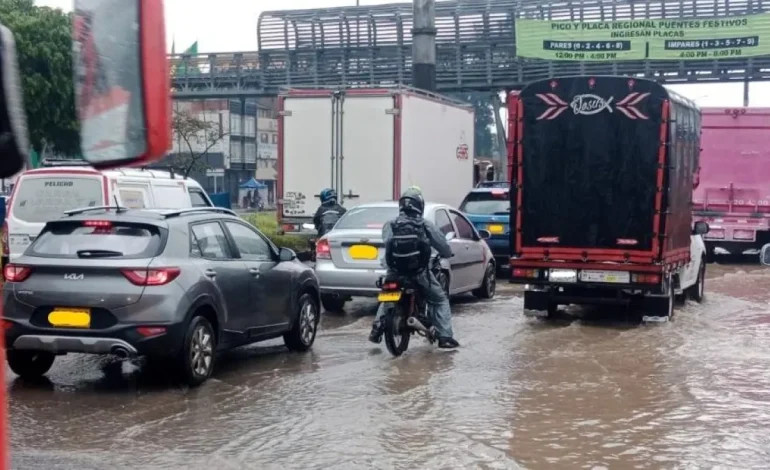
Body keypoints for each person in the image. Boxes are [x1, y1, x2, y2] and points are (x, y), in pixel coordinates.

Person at [369, 187, 460, 349]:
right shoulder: (425, 225)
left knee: (387, 297)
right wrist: (447, 253)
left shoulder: (390, 225)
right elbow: (443, 247)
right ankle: (445, 337)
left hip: (394, 271)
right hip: (419, 272)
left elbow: (388, 244)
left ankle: (376, 329)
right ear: (420, 206)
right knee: (439, 299)